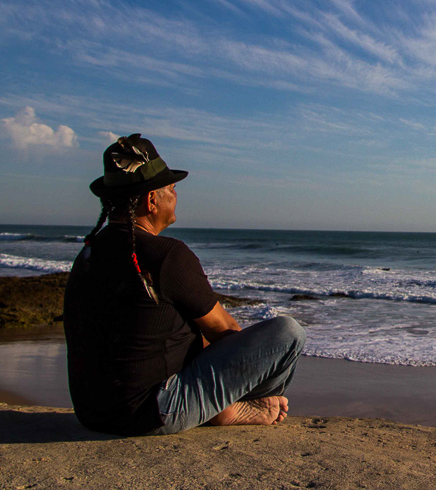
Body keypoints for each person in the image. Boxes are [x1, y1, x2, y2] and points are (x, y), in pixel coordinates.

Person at [64, 133, 305, 436]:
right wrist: (235, 379)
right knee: (288, 333)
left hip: (92, 411)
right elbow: (224, 330)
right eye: (172, 189)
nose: (175, 195)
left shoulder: (88, 252)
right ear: (153, 200)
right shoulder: (166, 254)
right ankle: (235, 406)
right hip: (150, 411)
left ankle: (218, 405)